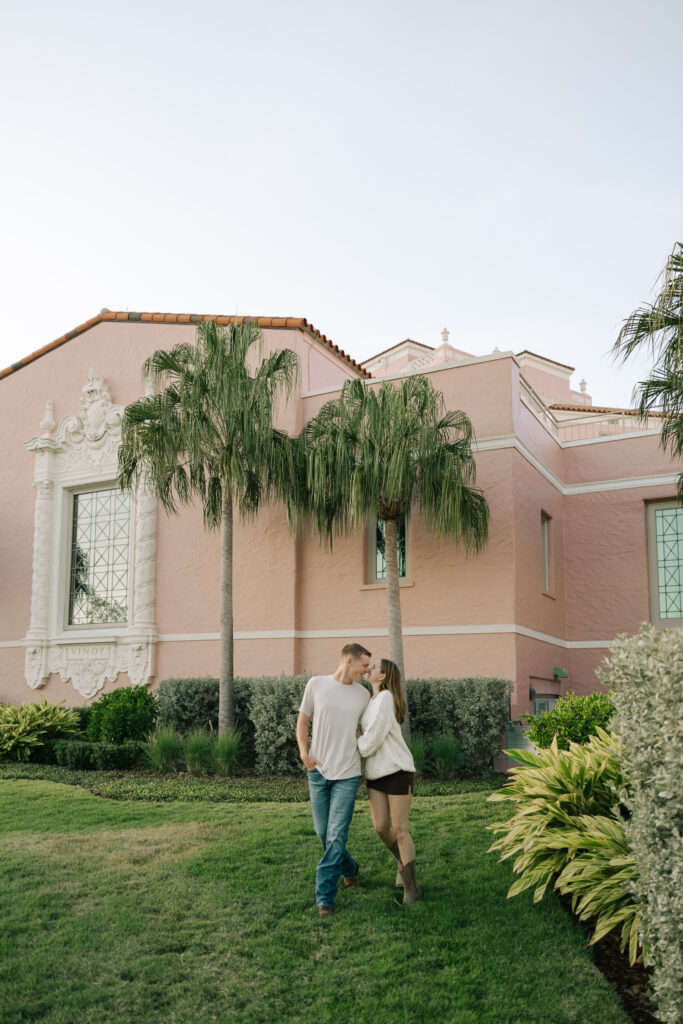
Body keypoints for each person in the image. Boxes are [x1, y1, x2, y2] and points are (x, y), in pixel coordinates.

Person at [297, 642, 372, 918]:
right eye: (364, 665)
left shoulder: (363, 694)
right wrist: (304, 753)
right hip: (318, 771)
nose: (367, 671)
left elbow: (366, 731)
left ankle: (325, 898)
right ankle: (350, 868)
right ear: (349, 661)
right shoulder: (316, 684)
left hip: (348, 774)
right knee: (323, 833)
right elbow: (303, 720)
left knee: (336, 835)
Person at [357, 658, 422, 905]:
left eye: (373, 667)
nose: (368, 669)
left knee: (400, 830)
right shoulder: (371, 701)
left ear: (382, 677)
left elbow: (370, 740)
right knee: (381, 828)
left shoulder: (385, 698)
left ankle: (411, 890)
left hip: (397, 770)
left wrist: (359, 741)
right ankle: (403, 863)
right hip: (375, 774)